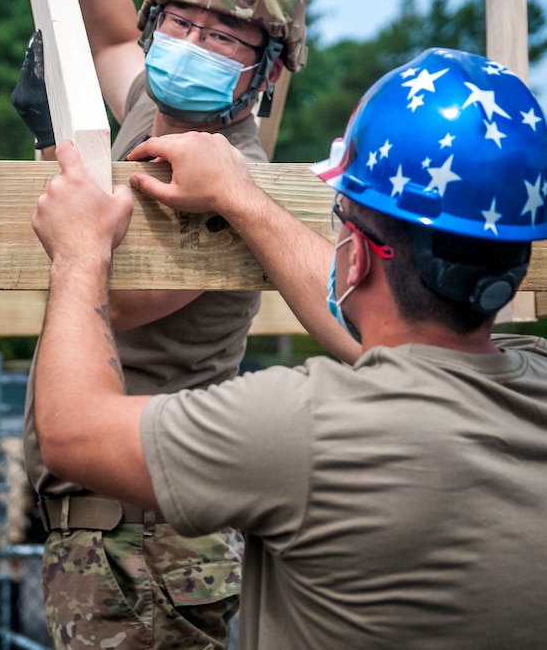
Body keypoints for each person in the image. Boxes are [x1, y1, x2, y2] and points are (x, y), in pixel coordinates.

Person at [31, 46, 547, 649]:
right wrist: (241, 197)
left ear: (355, 252)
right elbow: (408, 346)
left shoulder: (306, 427)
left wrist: (79, 254)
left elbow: (72, 432)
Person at [9, 0, 309, 648]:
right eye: (179, 21)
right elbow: (111, 33)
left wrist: (50, 145)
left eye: (222, 37)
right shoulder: (155, 105)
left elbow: (112, 294)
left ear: (265, 67)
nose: (191, 45)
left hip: (150, 546)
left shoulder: (220, 175)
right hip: (113, 537)